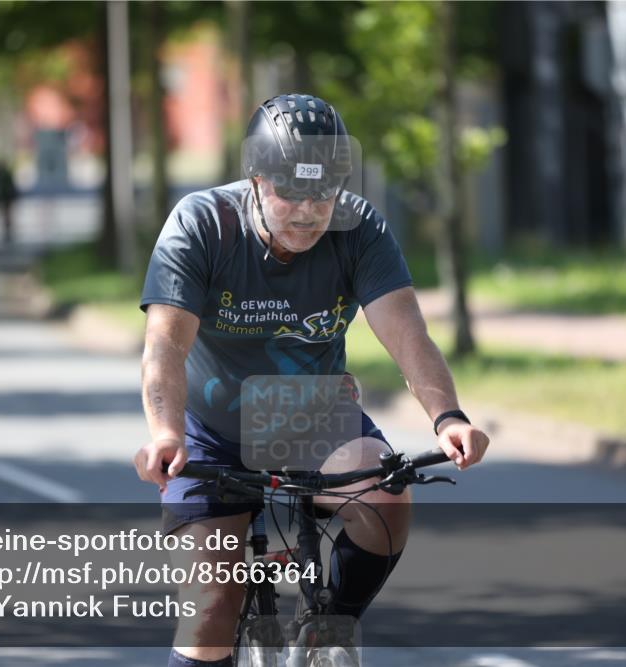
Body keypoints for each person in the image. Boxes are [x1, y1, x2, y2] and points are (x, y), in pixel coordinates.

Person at [135, 93, 491, 667]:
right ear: (255, 179)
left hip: (312, 416)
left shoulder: (359, 228)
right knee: (209, 608)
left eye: (322, 193)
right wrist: (166, 434)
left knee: (385, 494)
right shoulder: (202, 224)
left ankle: (332, 626)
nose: (307, 210)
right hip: (208, 430)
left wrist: (447, 415)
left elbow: (405, 333)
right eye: (290, 192)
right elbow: (165, 346)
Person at [0, 160, 19, 244]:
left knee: (7, 215)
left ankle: (8, 231)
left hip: (6, 197)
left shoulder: (4, 175)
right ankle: (6, 231)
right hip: (4, 198)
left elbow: (10, 186)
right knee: (5, 215)